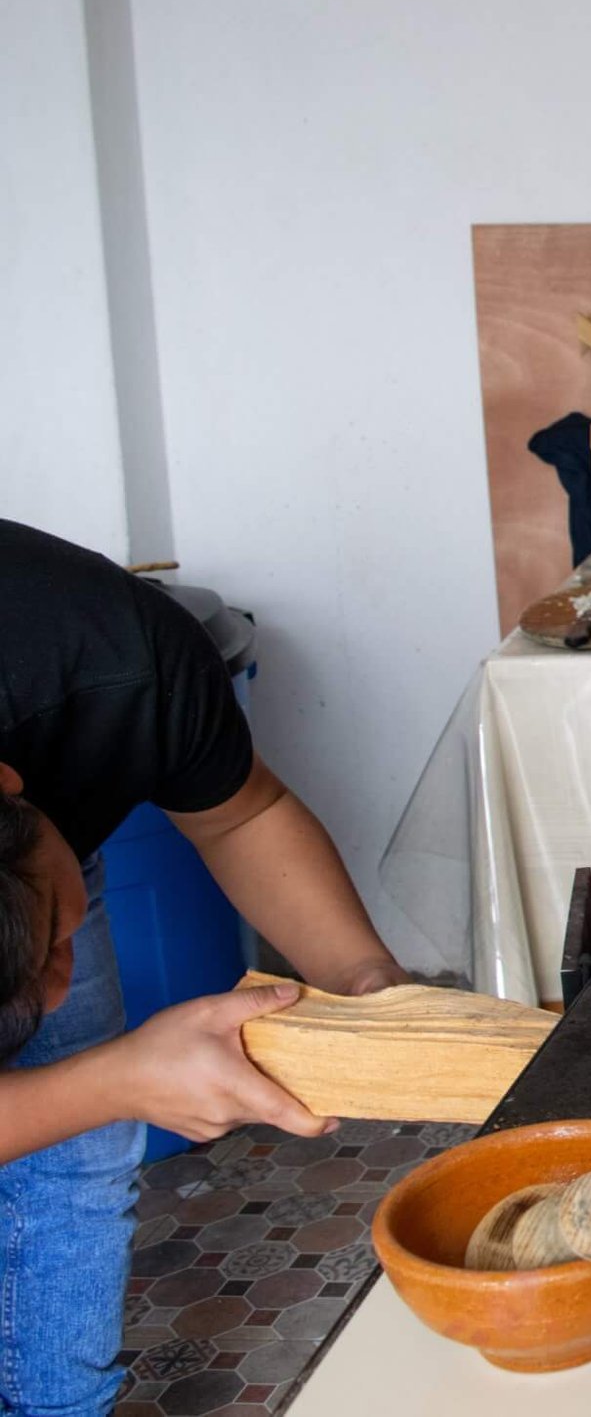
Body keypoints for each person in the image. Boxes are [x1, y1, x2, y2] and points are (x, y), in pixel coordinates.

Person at [0, 518, 407, 1416]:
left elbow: (241, 815)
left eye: (54, 947)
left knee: (75, 1144)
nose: (59, 992)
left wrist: (365, 979)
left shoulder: (120, 654)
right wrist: (110, 1075)